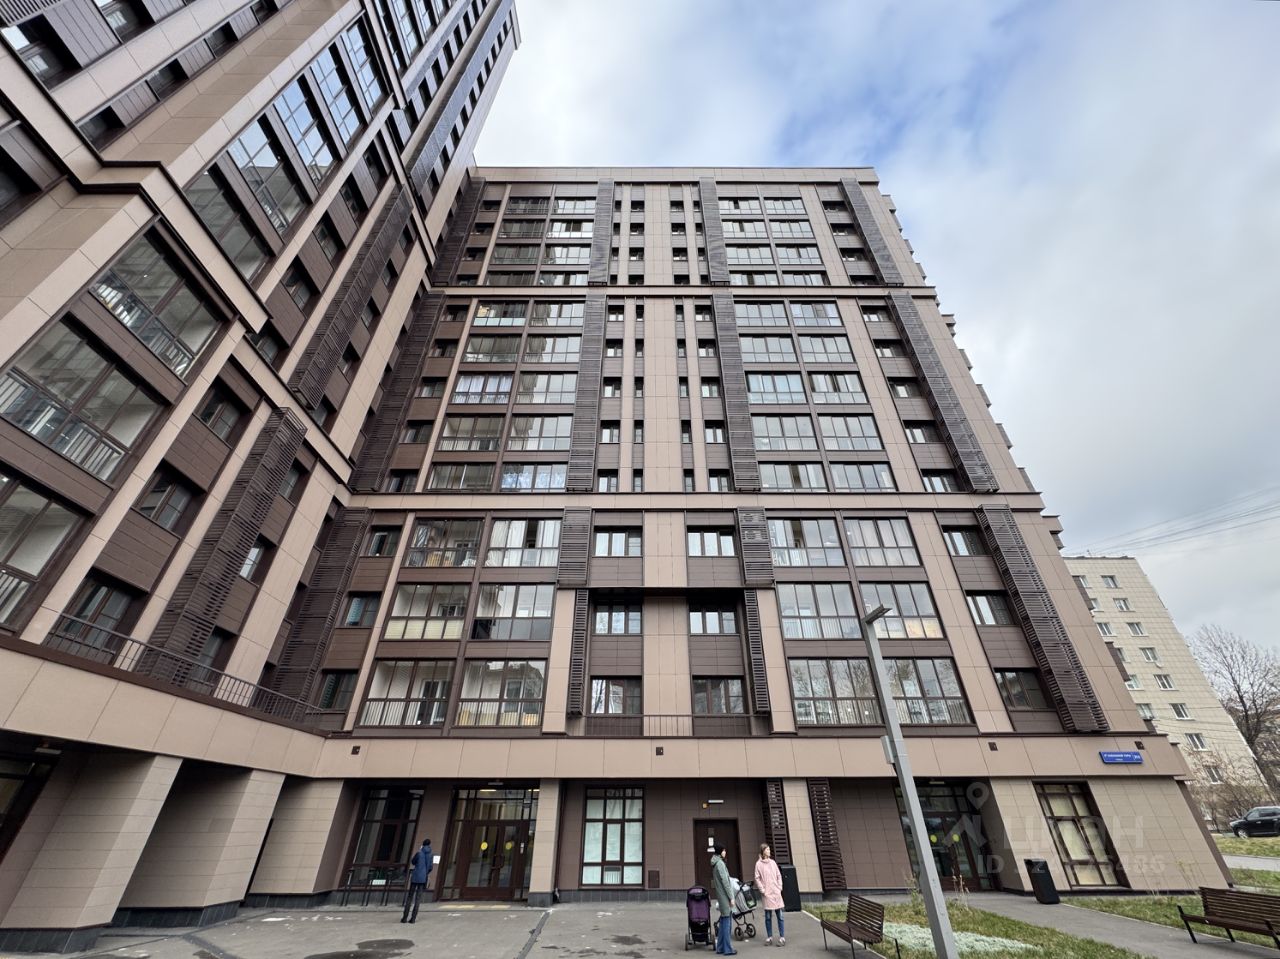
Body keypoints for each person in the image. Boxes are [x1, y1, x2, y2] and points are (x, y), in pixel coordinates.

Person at [753, 843, 785, 946]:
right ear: (763, 851)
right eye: (767, 849)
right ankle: (769, 937)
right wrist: (762, 890)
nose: (769, 851)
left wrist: (779, 887)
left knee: (780, 916)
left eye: (769, 849)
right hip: (767, 893)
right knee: (768, 916)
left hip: (776, 892)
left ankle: (782, 937)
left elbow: (779, 875)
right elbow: (757, 878)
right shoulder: (758, 864)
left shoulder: (773, 862)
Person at [711, 844, 737, 955]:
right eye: (724, 850)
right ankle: (727, 949)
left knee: (723, 921)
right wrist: (731, 897)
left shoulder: (716, 863)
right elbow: (725, 882)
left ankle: (721, 947)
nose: (725, 852)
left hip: (721, 896)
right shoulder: (720, 864)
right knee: (727, 922)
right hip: (725, 897)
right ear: (720, 852)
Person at [401, 838, 433, 923]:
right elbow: (430, 867)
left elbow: (413, 862)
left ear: (423, 844)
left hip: (415, 877)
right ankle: (413, 918)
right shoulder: (430, 855)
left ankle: (404, 917)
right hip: (423, 878)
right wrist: (425, 873)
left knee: (410, 897)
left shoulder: (419, 853)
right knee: (418, 899)